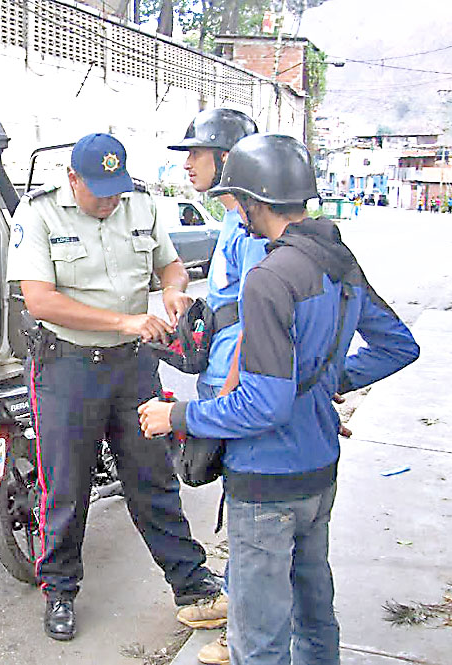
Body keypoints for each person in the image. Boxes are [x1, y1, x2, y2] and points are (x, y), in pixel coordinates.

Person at [139, 134, 419, 665]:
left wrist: (175, 413)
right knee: (314, 620)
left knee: (260, 640)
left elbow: (263, 405)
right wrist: (327, 379)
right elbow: (398, 346)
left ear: (254, 201)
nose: (235, 208)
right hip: (319, 472)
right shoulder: (338, 260)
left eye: (237, 197)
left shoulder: (267, 278)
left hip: (268, 485)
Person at [7, 132, 221, 642]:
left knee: (153, 479)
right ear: (72, 179)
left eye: (115, 190)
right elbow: (39, 300)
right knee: (66, 487)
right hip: (66, 369)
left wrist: (173, 291)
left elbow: (168, 264)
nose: (109, 202)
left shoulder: (140, 204)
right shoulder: (37, 215)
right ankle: (59, 590)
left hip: (132, 369)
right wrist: (122, 322)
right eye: (98, 190)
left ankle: (193, 587)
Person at [166, 108, 265, 663]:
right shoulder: (231, 222)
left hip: (237, 390)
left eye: (196, 154)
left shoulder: (252, 229)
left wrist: (228, 393)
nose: (186, 165)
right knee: (235, 498)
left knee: (248, 511)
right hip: (219, 380)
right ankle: (234, 598)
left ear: (226, 159)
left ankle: (247, 629)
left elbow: (257, 321)